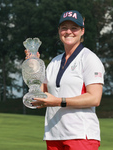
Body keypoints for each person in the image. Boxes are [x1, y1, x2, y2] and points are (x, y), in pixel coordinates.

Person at [25, 10, 105, 150]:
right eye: (64, 28)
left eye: (74, 28)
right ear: (59, 31)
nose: (69, 32)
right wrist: (34, 68)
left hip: (80, 136)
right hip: (54, 135)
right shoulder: (54, 62)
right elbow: (39, 98)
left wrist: (58, 101)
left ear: (82, 31)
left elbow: (94, 98)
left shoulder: (89, 59)